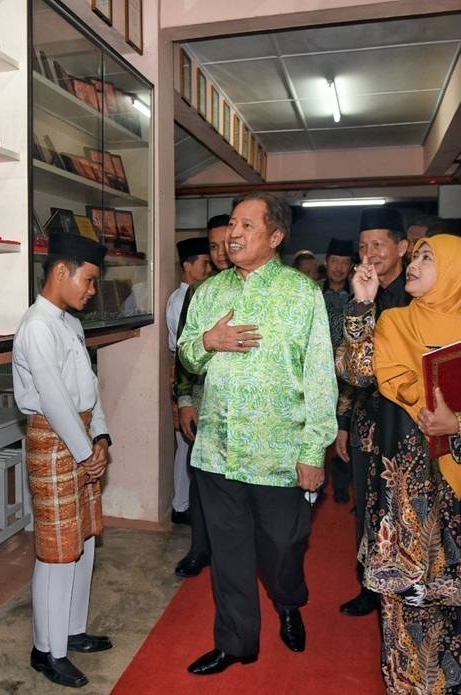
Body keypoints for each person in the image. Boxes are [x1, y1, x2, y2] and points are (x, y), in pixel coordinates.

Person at [338, 234, 461, 694]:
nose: (416, 263)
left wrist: (458, 424)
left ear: (459, 271)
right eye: (417, 255)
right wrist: (362, 306)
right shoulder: (394, 322)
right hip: (402, 498)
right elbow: (357, 372)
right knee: (402, 617)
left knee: (456, 622)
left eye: (429, 257)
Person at [179, 192, 337, 675]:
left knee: (283, 547)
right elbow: (186, 355)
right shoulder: (209, 292)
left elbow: (319, 376)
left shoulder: (301, 293)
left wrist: (314, 449)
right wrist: (208, 341)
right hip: (218, 453)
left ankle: (288, 601)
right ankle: (236, 642)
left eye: (248, 224)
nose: (234, 232)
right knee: (229, 555)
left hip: (280, 454)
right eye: (232, 223)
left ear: (274, 236)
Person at [13, 232, 113, 689]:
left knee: (83, 541)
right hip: (55, 442)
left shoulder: (69, 324)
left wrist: (102, 437)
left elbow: (89, 388)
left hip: (81, 438)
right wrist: (85, 450)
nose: (91, 291)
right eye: (89, 281)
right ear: (61, 271)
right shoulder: (37, 325)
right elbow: (53, 399)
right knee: (56, 553)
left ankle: (71, 630)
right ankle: (45, 650)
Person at [338, 206, 411, 618]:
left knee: (403, 508)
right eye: (363, 246)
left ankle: (404, 586)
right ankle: (370, 586)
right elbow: (352, 369)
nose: (370, 253)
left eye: (378, 244)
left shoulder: (417, 293)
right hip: (369, 423)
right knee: (369, 508)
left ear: (401, 247)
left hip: (410, 426)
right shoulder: (362, 294)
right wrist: (344, 424)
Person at [171, 214, 232, 578]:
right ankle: (199, 549)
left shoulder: (258, 289)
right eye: (213, 246)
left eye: (226, 243)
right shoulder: (198, 292)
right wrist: (184, 402)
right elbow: (183, 352)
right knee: (201, 479)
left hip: (245, 409)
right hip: (204, 402)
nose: (221, 252)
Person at [166, 237, 213, 526]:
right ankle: (180, 505)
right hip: (186, 371)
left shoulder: (199, 294)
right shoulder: (180, 299)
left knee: (188, 444)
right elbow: (184, 344)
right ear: (187, 265)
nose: (209, 268)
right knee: (186, 443)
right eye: (204, 263)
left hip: (195, 373)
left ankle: (183, 503)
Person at [320, 238, 354, 504]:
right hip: (318, 373)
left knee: (345, 426)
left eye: (345, 263)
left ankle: (341, 484)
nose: (339, 268)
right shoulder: (313, 293)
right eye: (335, 262)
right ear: (326, 263)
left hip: (347, 376)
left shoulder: (360, 297)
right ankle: (316, 481)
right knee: (318, 428)